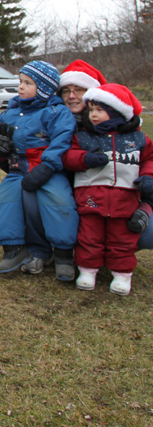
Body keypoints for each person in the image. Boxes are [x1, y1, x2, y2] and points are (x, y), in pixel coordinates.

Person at [0, 61, 78, 281]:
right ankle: (14, 249)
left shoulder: (56, 112)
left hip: (46, 169)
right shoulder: (12, 111)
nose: (20, 87)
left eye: (27, 83)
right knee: (0, 201)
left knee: (58, 202)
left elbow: (61, 142)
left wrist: (48, 166)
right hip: (18, 169)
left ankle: (63, 256)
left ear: (43, 88)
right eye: (20, 82)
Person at [63, 84, 153, 295]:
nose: (93, 115)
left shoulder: (138, 139)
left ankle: (122, 274)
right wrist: (85, 159)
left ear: (116, 112)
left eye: (99, 110)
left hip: (125, 199)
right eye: (91, 110)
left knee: (122, 239)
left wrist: (148, 177)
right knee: (89, 237)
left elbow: (149, 159)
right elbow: (68, 157)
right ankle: (87, 271)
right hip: (90, 199)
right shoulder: (84, 136)